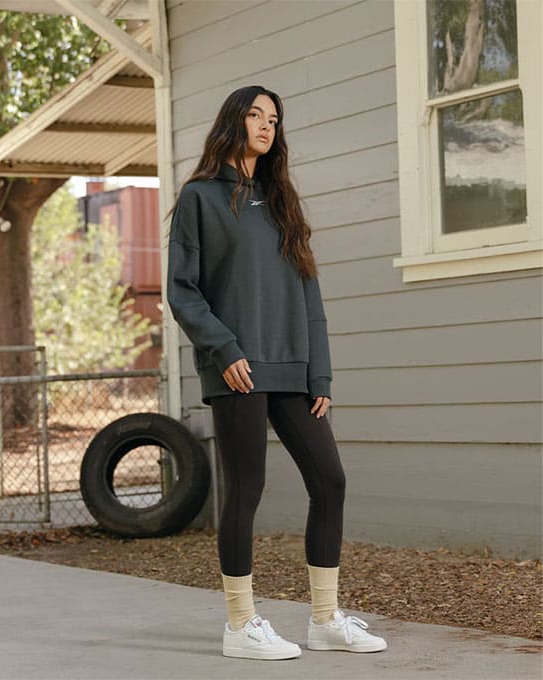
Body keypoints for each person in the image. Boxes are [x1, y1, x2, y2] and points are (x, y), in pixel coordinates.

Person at [167, 85, 387, 661]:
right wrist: (224, 349)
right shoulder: (200, 198)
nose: (266, 125)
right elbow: (183, 291)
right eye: (255, 114)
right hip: (237, 367)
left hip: (293, 368)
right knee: (247, 489)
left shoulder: (281, 198)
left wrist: (322, 375)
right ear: (232, 122)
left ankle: (324, 619)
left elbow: (309, 295)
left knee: (330, 480)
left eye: (274, 118)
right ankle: (240, 625)